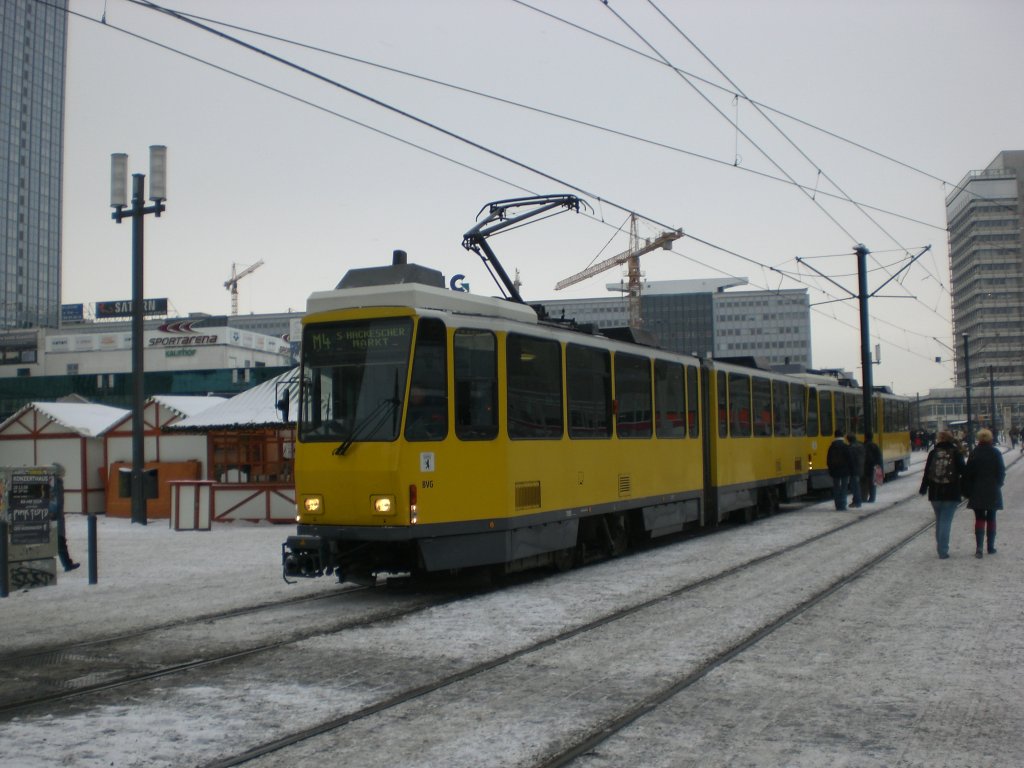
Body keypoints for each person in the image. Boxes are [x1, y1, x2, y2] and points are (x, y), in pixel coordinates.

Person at [919, 430, 966, 559]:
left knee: (939, 520)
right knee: (946, 521)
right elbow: (963, 471)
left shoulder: (933, 453)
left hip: (935, 492)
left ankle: (940, 547)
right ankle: (943, 551)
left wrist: (923, 488)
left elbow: (927, 472)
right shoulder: (956, 453)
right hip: (951, 492)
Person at [963, 428, 1005, 558]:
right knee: (991, 517)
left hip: (977, 489)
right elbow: (1001, 471)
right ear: (990, 439)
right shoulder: (996, 452)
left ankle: (979, 547)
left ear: (979, 439)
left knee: (979, 518)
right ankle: (990, 547)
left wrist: (968, 490)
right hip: (992, 489)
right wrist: (998, 484)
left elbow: (968, 473)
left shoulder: (974, 453)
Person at [48, 463, 80, 572]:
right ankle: (67, 564)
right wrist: (55, 513)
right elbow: (56, 500)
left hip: (55, 515)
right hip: (56, 516)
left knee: (59, 540)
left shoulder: (52, 482)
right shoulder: (56, 483)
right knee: (60, 540)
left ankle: (67, 563)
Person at [826, 429, 853, 511]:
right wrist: (850, 469)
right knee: (844, 487)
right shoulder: (845, 446)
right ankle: (843, 504)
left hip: (835, 471)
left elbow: (828, 460)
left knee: (836, 487)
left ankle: (837, 504)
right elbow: (850, 459)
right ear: (842, 436)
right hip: (844, 470)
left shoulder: (832, 446)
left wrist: (831, 469)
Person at [846, 433, 865, 508]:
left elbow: (850, 459)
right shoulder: (861, 445)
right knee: (856, 485)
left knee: (855, 486)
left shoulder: (851, 447)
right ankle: (856, 501)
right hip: (860, 468)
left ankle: (857, 501)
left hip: (854, 469)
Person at [862, 434, 883, 503]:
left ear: (865, 438)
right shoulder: (875, 446)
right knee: (873, 484)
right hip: (875, 467)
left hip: (866, 467)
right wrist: (880, 469)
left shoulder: (864, 446)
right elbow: (879, 458)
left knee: (865, 484)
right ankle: (872, 498)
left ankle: (864, 498)